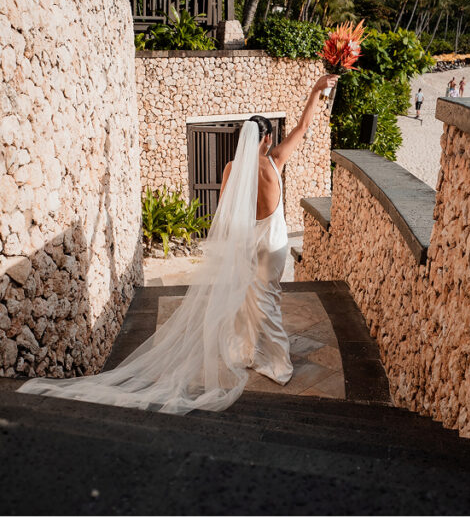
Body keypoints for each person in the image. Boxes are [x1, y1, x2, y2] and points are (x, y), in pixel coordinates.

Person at [17, 75, 338, 413]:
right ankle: (277, 363)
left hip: (245, 242)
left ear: (244, 138)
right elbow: (302, 128)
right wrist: (317, 89)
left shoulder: (231, 168)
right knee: (268, 299)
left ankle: (248, 352)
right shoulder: (275, 161)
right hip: (272, 244)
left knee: (246, 298)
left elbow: (225, 211)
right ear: (268, 138)